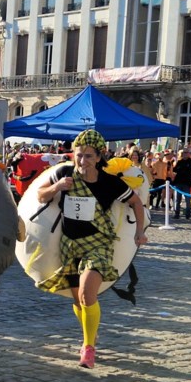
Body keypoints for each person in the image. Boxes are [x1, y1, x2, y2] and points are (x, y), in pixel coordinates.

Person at [35, 130, 147, 369]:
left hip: (98, 244)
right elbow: (40, 195)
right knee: (78, 301)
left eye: (87, 156)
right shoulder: (64, 173)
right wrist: (56, 189)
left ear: (98, 157)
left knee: (87, 293)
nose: (82, 161)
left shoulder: (110, 183)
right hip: (71, 246)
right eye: (78, 155)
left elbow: (136, 203)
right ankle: (90, 332)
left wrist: (140, 232)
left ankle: (88, 348)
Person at [172, 149, 191, 219]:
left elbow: (189, 169)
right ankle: (177, 213)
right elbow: (175, 170)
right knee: (177, 199)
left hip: (187, 183)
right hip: (178, 182)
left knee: (188, 199)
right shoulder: (179, 161)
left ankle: (188, 214)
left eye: (186, 152)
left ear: (189, 153)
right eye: (183, 153)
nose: (184, 154)